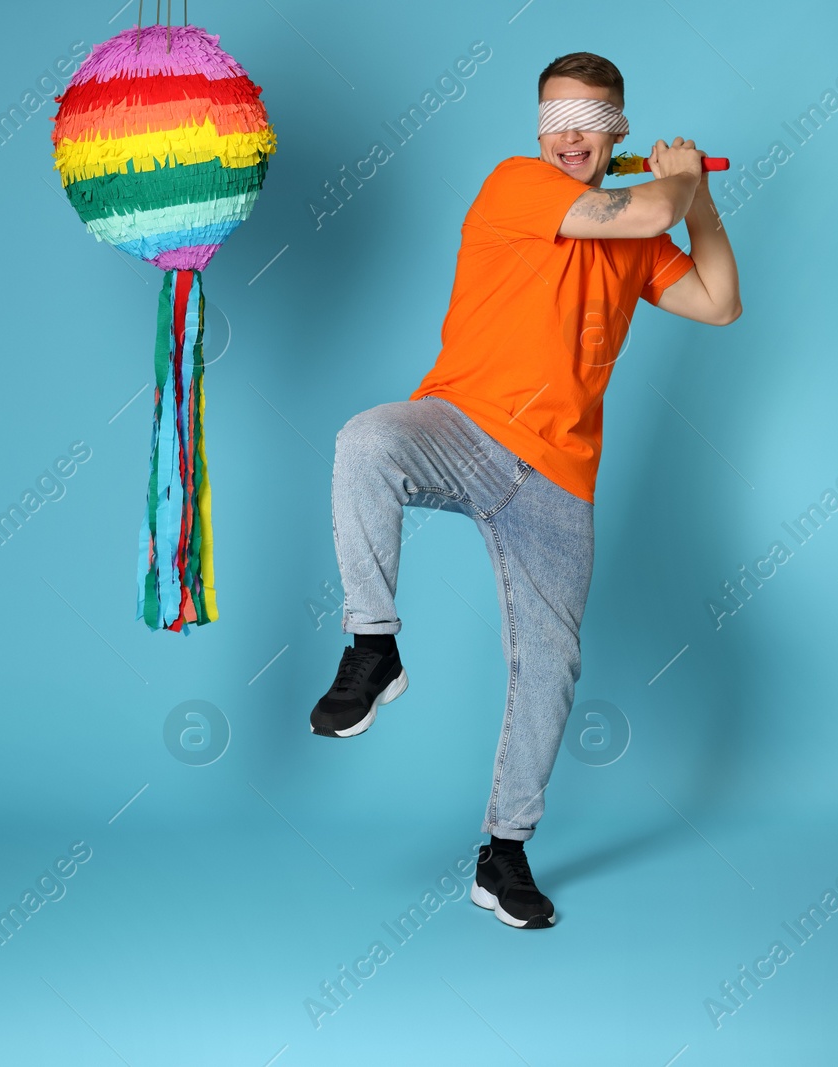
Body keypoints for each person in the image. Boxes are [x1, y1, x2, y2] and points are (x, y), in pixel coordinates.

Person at [309, 51, 742, 929]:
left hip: (558, 474)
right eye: (557, 120)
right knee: (366, 440)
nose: (573, 137)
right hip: (463, 428)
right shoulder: (516, 184)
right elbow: (654, 205)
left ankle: (503, 853)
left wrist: (704, 201)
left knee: (549, 667)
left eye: (593, 122)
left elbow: (719, 302)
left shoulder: (639, 238)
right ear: (537, 130)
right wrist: (679, 188)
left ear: (618, 128)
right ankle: (373, 645)